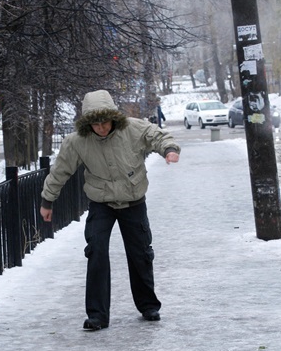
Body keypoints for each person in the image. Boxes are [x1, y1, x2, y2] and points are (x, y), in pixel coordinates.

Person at [39, 89, 180, 331]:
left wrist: (169, 150)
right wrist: (47, 201)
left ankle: (148, 305)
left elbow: (157, 136)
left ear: (113, 117)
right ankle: (97, 315)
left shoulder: (133, 128)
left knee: (140, 254)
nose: (101, 127)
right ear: (87, 124)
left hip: (133, 201)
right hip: (101, 204)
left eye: (105, 121)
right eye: (95, 123)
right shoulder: (77, 142)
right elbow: (60, 170)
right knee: (96, 252)